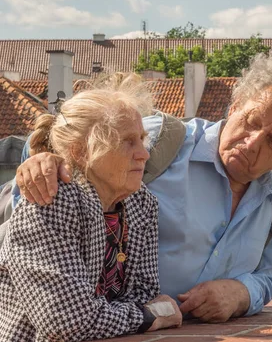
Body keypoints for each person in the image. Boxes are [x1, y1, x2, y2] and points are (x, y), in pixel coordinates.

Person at [12, 53, 272, 323]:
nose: (251, 141)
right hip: (95, 326)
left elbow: (267, 275)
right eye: (251, 121)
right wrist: (42, 160)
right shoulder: (161, 141)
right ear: (235, 105)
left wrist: (241, 294)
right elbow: (70, 137)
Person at [0, 73, 183, 340]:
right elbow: (66, 324)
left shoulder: (141, 203)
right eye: (127, 141)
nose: (143, 153)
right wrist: (145, 317)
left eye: (142, 139)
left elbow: (145, 293)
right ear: (81, 152)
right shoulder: (51, 204)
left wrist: (114, 314)